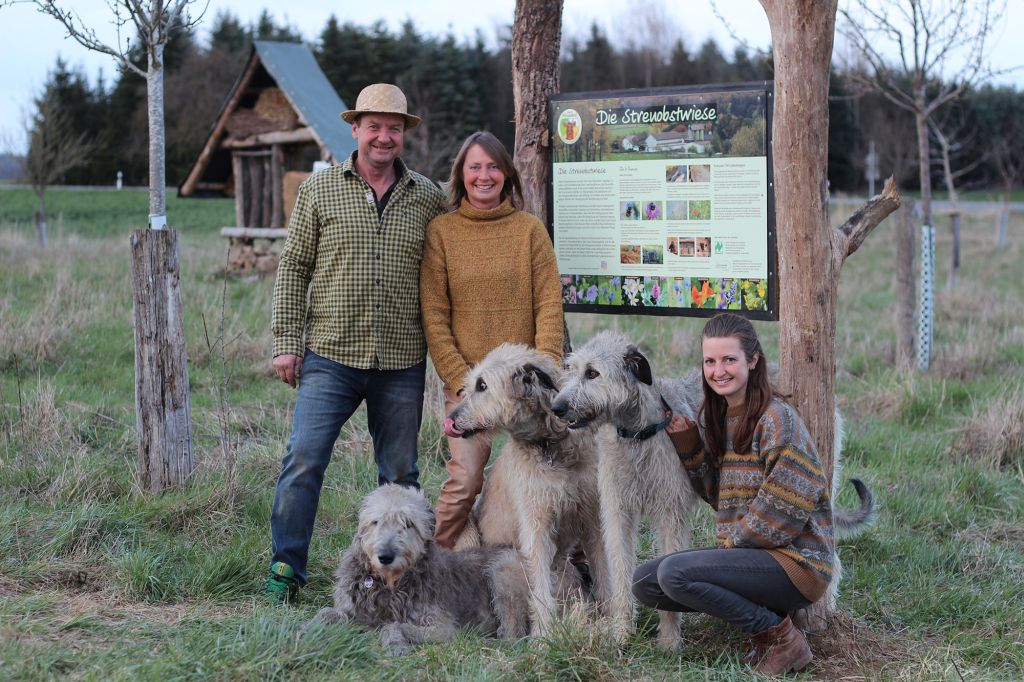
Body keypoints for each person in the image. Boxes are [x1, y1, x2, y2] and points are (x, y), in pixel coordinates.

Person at [264, 83, 445, 603]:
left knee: (401, 476)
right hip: (330, 355)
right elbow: (293, 268)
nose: (383, 136)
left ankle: (409, 583)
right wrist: (285, 341)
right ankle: (286, 571)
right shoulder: (319, 192)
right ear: (355, 129)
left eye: (393, 128)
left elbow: (444, 271)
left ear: (403, 134)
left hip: (401, 361)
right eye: (374, 126)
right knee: (304, 459)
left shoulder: (427, 197)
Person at [632, 312, 833, 675]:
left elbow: (783, 512)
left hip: (797, 564)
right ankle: (767, 620)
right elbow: (719, 497)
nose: (718, 370)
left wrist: (725, 553)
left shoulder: (777, 419)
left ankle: (782, 638)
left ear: (753, 361)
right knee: (646, 582)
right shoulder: (716, 416)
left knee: (676, 574)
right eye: (710, 361)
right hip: (751, 556)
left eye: (729, 359)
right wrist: (690, 445)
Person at [420, 131, 564, 549]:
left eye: (492, 167)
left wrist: (546, 371)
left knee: (548, 478)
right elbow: (434, 313)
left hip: (525, 390)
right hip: (469, 386)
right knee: (466, 482)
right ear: (461, 175)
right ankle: (437, 562)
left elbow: (549, 304)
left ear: (506, 174)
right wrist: (461, 379)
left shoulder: (529, 231)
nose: (484, 176)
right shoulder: (442, 232)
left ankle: (562, 565)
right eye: (475, 167)